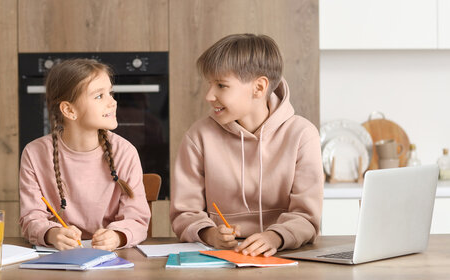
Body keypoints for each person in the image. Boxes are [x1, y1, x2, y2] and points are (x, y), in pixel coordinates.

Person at [170, 34, 324, 257]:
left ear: (259, 88)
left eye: (221, 85)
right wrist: (209, 234)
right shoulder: (198, 136)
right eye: (210, 84)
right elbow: (185, 212)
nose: (209, 96)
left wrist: (274, 237)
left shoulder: (302, 135)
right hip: (217, 256)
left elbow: (307, 216)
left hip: (284, 254)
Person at [19, 59, 150, 251]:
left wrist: (117, 237)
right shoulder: (34, 154)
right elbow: (31, 217)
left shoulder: (125, 153)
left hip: (111, 259)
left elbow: (136, 219)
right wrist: (52, 234)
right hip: (57, 258)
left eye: (110, 93)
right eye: (99, 96)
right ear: (69, 110)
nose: (112, 102)